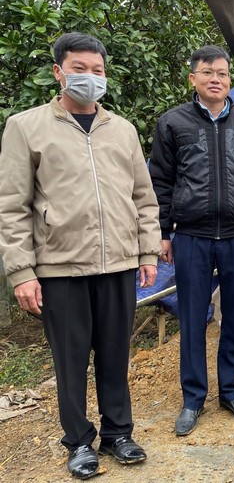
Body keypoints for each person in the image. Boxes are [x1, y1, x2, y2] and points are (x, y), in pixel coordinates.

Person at [0, 32, 161, 479]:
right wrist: (22, 272)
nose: (90, 77)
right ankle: (78, 442)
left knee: (115, 354)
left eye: (97, 70)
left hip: (119, 263)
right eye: (79, 68)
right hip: (60, 266)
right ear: (58, 72)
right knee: (70, 360)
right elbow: (12, 206)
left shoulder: (122, 130)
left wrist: (148, 252)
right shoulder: (26, 127)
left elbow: (143, 197)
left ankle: (118, 434)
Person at [149, 45, 234, 436]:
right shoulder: (173, 123)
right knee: (192, 318)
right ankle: (193, 399)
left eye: (222, 73)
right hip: (191, 236)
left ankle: (231, 392)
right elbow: (160, 181)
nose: (216, 79)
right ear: (193, 78)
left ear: (229, 80)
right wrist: (163, 232)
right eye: (208, 72)